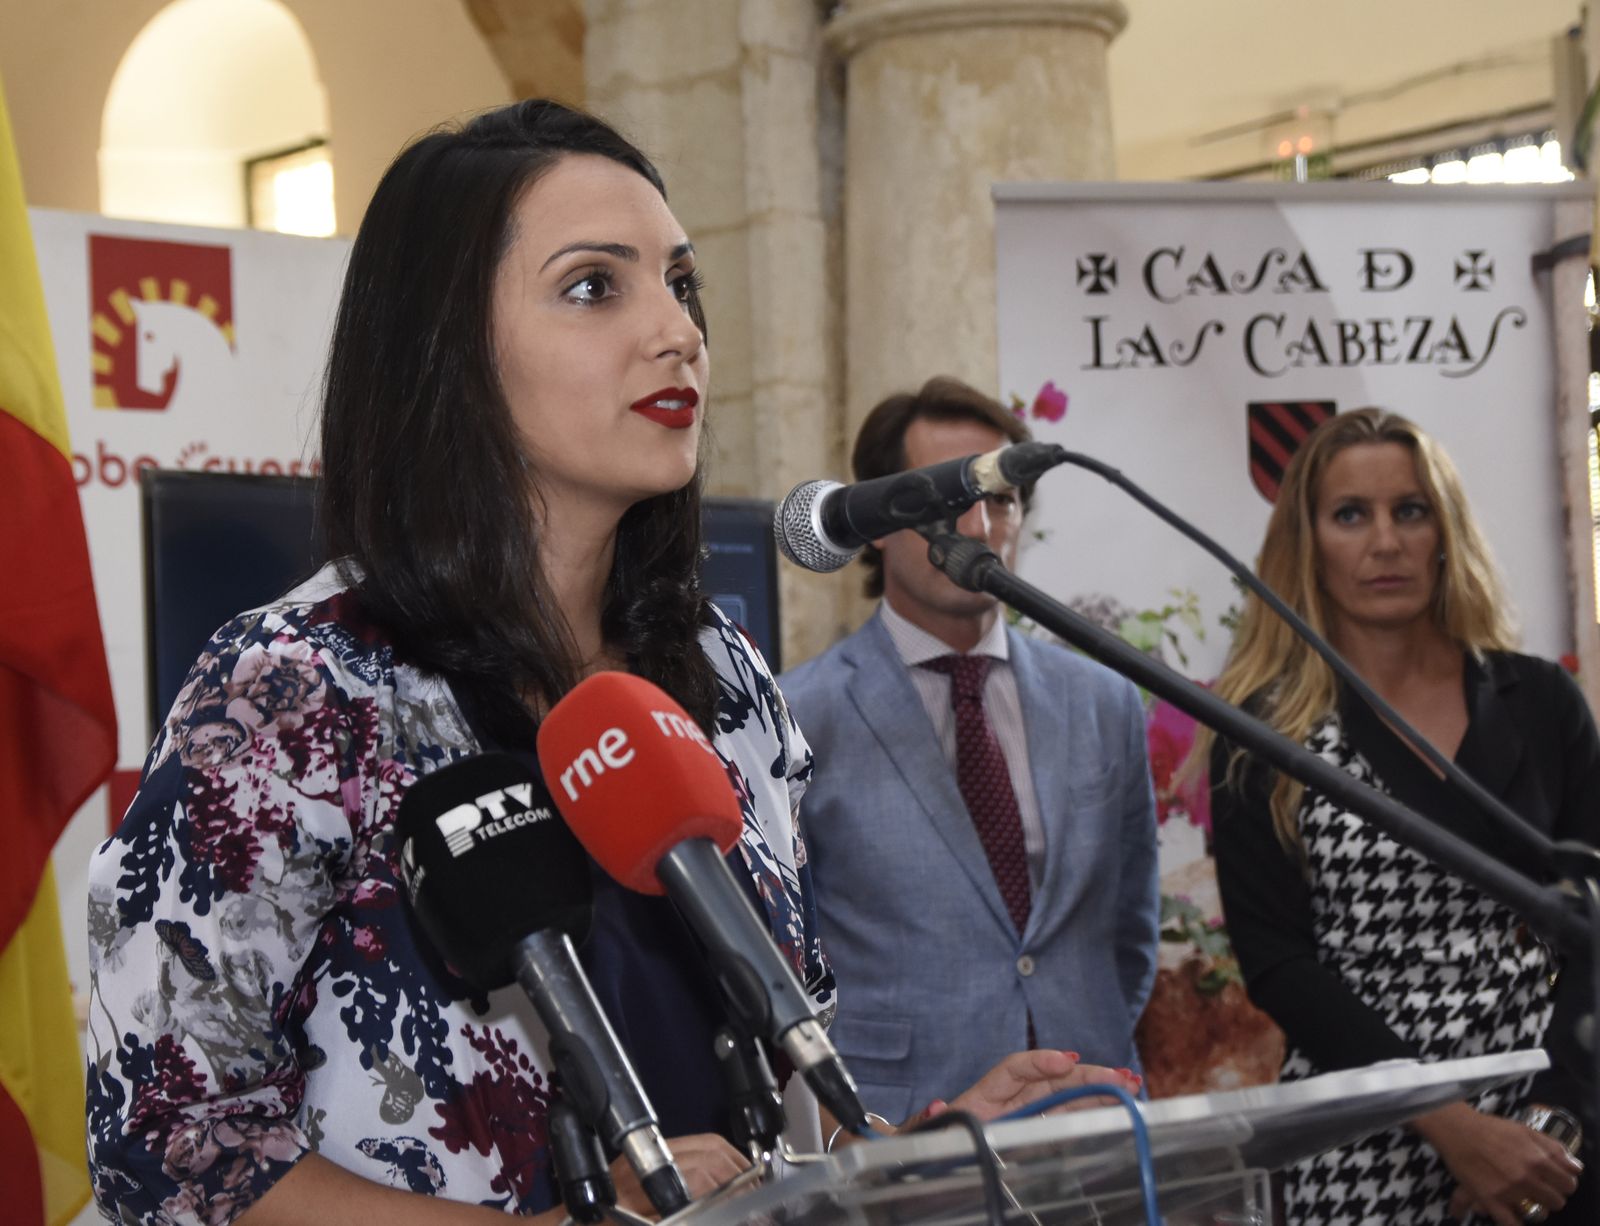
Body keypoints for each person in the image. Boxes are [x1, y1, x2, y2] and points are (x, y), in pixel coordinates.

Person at [84, 103, 1136, 1226]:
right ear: (447, 346)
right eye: (595, 285)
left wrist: (916, 1151)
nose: (675, 330)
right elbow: (170, 1146)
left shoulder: (722, 676)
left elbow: (780, 1088)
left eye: (681, 284)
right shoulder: (295, 686)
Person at [1198, 407, 1594, 1225]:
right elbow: (1279, 964)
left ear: (1443, 530)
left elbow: (1595, 919)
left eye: (1410, 511)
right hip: (1364, 1133)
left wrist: (1549, 1122)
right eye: (1352, 515)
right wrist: (1451, 1127)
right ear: (1309, 543)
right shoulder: (1260, 733)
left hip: (1556, 1139)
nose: (1385, 541)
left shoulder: (1542, 702)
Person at [780, 377, 1160, 1125]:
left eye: (1005, 499)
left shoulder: (1102, 700)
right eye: (947, 497)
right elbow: (781, 963)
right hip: (904, 1129)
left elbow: (1130, 930)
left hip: (1092, 1114)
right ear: (876, 521)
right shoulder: (799, 716)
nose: (981, 523)